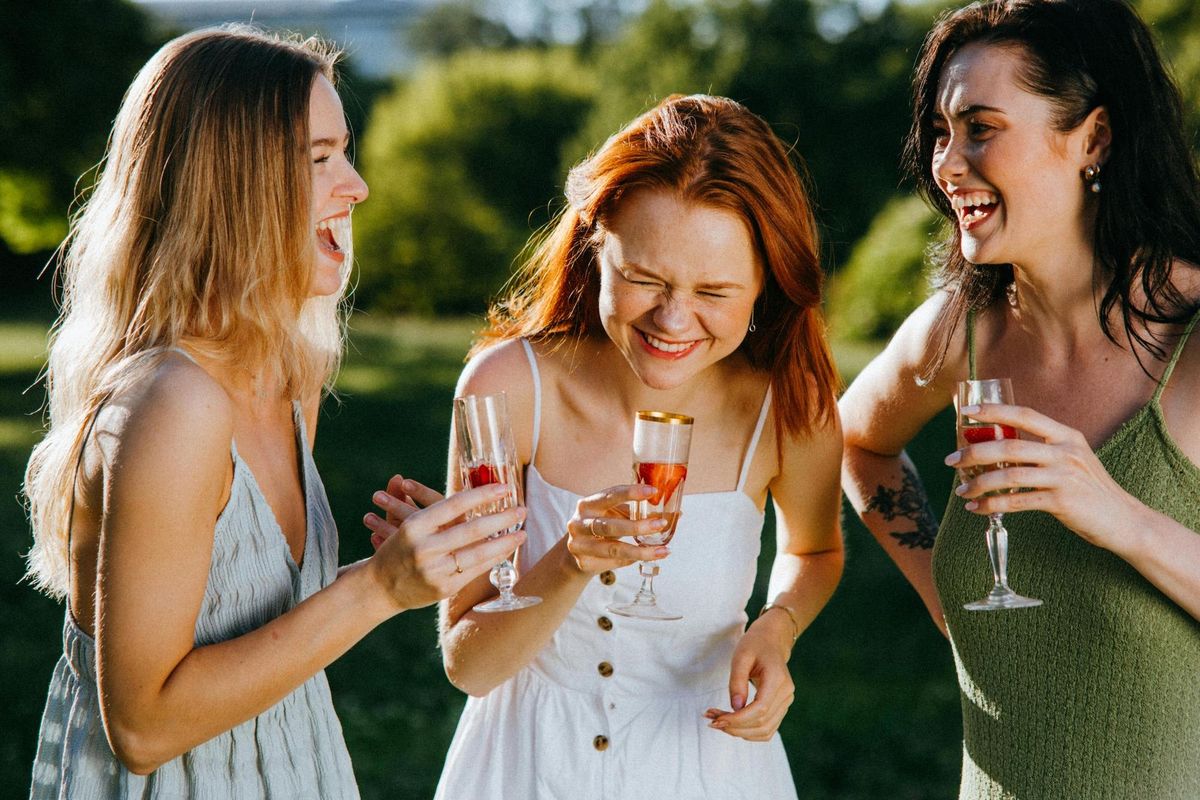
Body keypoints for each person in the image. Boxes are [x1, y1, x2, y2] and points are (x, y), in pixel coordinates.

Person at [22, 26, 525, 798]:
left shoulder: (288, 377)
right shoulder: (172, 403)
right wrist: (377, 588)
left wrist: (411, 566)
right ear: (231, 183)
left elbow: (259, 633)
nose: (356, 186)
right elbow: (144, 730)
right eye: (320, 159)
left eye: (344, 153)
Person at [382, 93, 845, 799]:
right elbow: (471, 667)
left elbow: (814, 551)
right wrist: (569, 562)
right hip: (525, 769)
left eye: (715, 292)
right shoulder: (510, 388)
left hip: (710, 771)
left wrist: (777, 629)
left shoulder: (789, 409)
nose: (673, 320)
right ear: (595, 246)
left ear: (766, 283)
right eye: (644, 279)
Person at [840, 0, 1200, 796]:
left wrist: (1120, 517)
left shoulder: (1193, 336)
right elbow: (857, 442)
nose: (947, 163)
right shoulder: (958, 332)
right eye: (941, 131)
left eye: (981, 128)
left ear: (1093, 139)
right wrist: (943, 590)